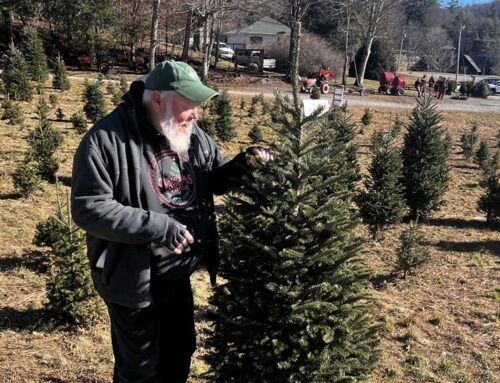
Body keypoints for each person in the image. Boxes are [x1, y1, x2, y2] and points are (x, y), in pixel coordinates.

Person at [71, 60, 273, 383]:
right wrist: (158, 227)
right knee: (140, 368)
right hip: (131, 279)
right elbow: (88, 207)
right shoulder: (106, 141)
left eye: (198, 106)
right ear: (158, 100)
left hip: (176, 275)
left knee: (180, 351)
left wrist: (243, 165)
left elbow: (213, 175)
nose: (196, 114)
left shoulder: (188, 134)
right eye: (189, 106)